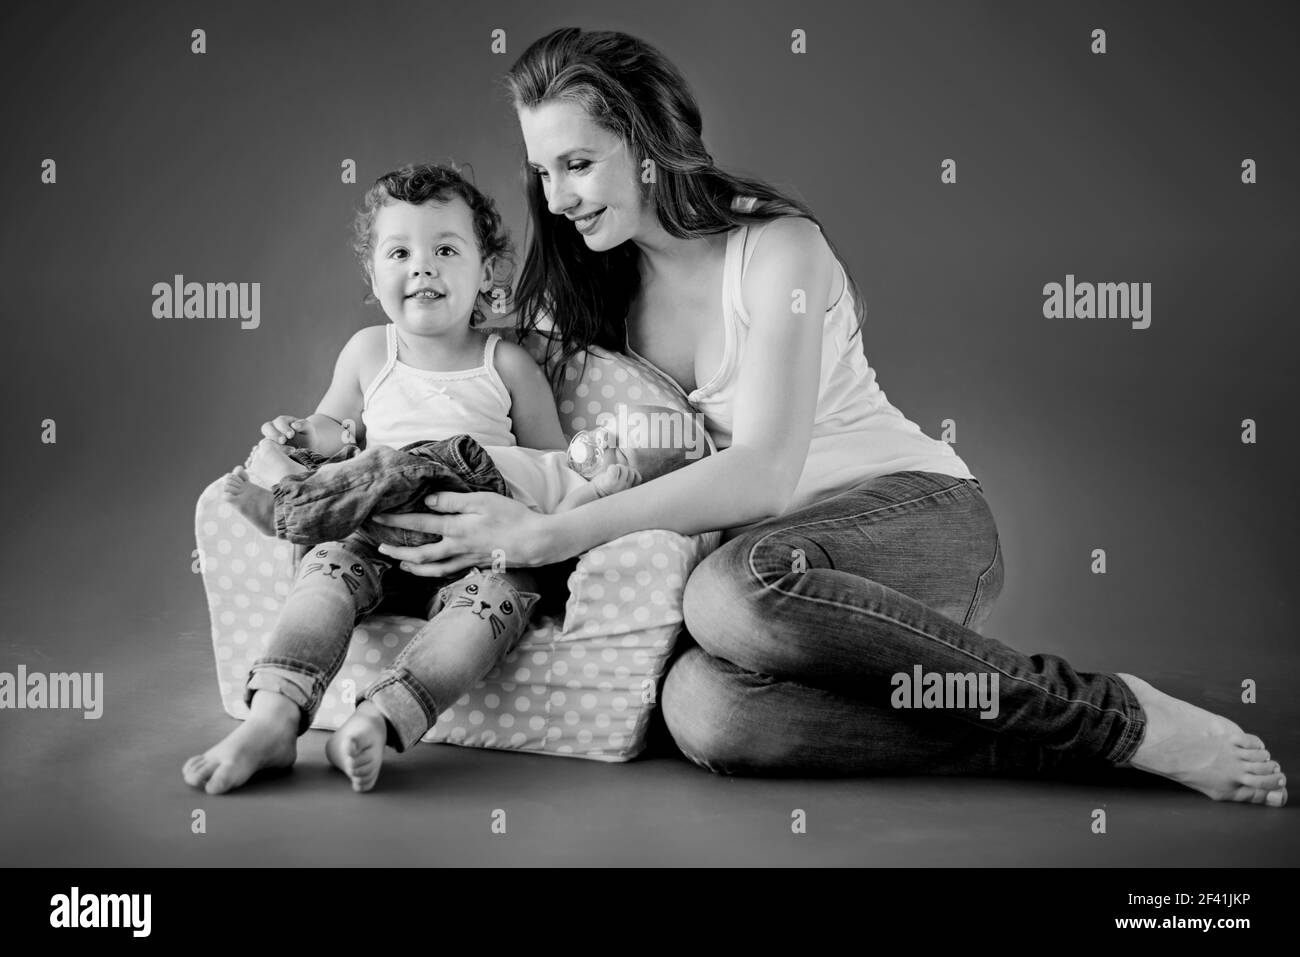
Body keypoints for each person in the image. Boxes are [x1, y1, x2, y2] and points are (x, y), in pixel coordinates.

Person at [371, 28, 1287, 807]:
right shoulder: (592, 290)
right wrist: (336, 435)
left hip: (912, 518)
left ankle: (1110, 714)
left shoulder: (777, 250)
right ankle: (1059, 743)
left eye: (579, 163)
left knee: (728, 591)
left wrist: (547, 533)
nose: (560, 197)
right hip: (793, 594)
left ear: (647, 145)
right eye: (544, 172)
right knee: (704, 712)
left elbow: (764, 474)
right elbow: (453, 358)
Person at [183, 162, 636, 795]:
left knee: (494, 605)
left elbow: (547, 465)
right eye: (400, 252)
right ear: (374, 274)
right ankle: (273, 719)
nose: (422, 267)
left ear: (485, 274)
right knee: (323, 576)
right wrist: (304, 436)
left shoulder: (504, 361)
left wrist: (592, 485)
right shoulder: (370, 351)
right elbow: (337, 431)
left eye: (446, 250)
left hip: (475, 536)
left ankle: (377, 717)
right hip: (375, 530)